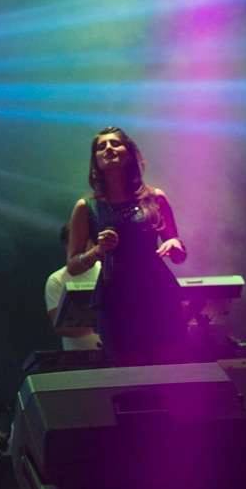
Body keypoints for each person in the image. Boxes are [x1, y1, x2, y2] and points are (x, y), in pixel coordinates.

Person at [66, 126, 188, 367]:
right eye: (101, 146)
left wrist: (175, 245)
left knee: (170, 368)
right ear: (95, 161)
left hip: (158, 293)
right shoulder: (86, 207)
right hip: (115, 298)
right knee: (127, 371)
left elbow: (179, 255)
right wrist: (98, 250)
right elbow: (73, 266)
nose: (108, 149)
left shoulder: (155, 198)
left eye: (115, 143)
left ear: (130, 153)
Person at [44, 225, 102, 354]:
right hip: (79, 359)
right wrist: (101, 323)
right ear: (67, 246)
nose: (84, 246)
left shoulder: (107, 269)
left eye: (87, 240)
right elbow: (60, 328)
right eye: (77, 242)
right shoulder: (56, 280)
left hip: (118, 354)